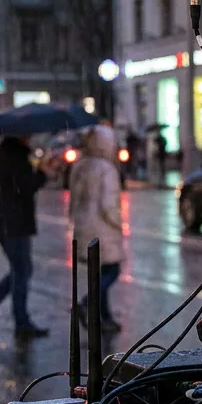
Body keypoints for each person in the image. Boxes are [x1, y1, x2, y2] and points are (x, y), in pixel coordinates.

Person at [0, 135, 49, 340]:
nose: (30, 139)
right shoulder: (16, 159)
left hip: (4, 222)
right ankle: (19, 322)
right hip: (15, 223)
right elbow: (26, 187)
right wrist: (42, 173)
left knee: (20, 270)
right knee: (21, 271)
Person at [70, 125, 124, 333]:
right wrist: (118, 223)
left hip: (84, 226)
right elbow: (108, 205)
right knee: (112, 271)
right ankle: (86, 303)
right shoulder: (106, 169)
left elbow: (74, 200)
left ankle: (104, 317)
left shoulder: (80, 166)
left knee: (99, 273)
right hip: (103, 228)